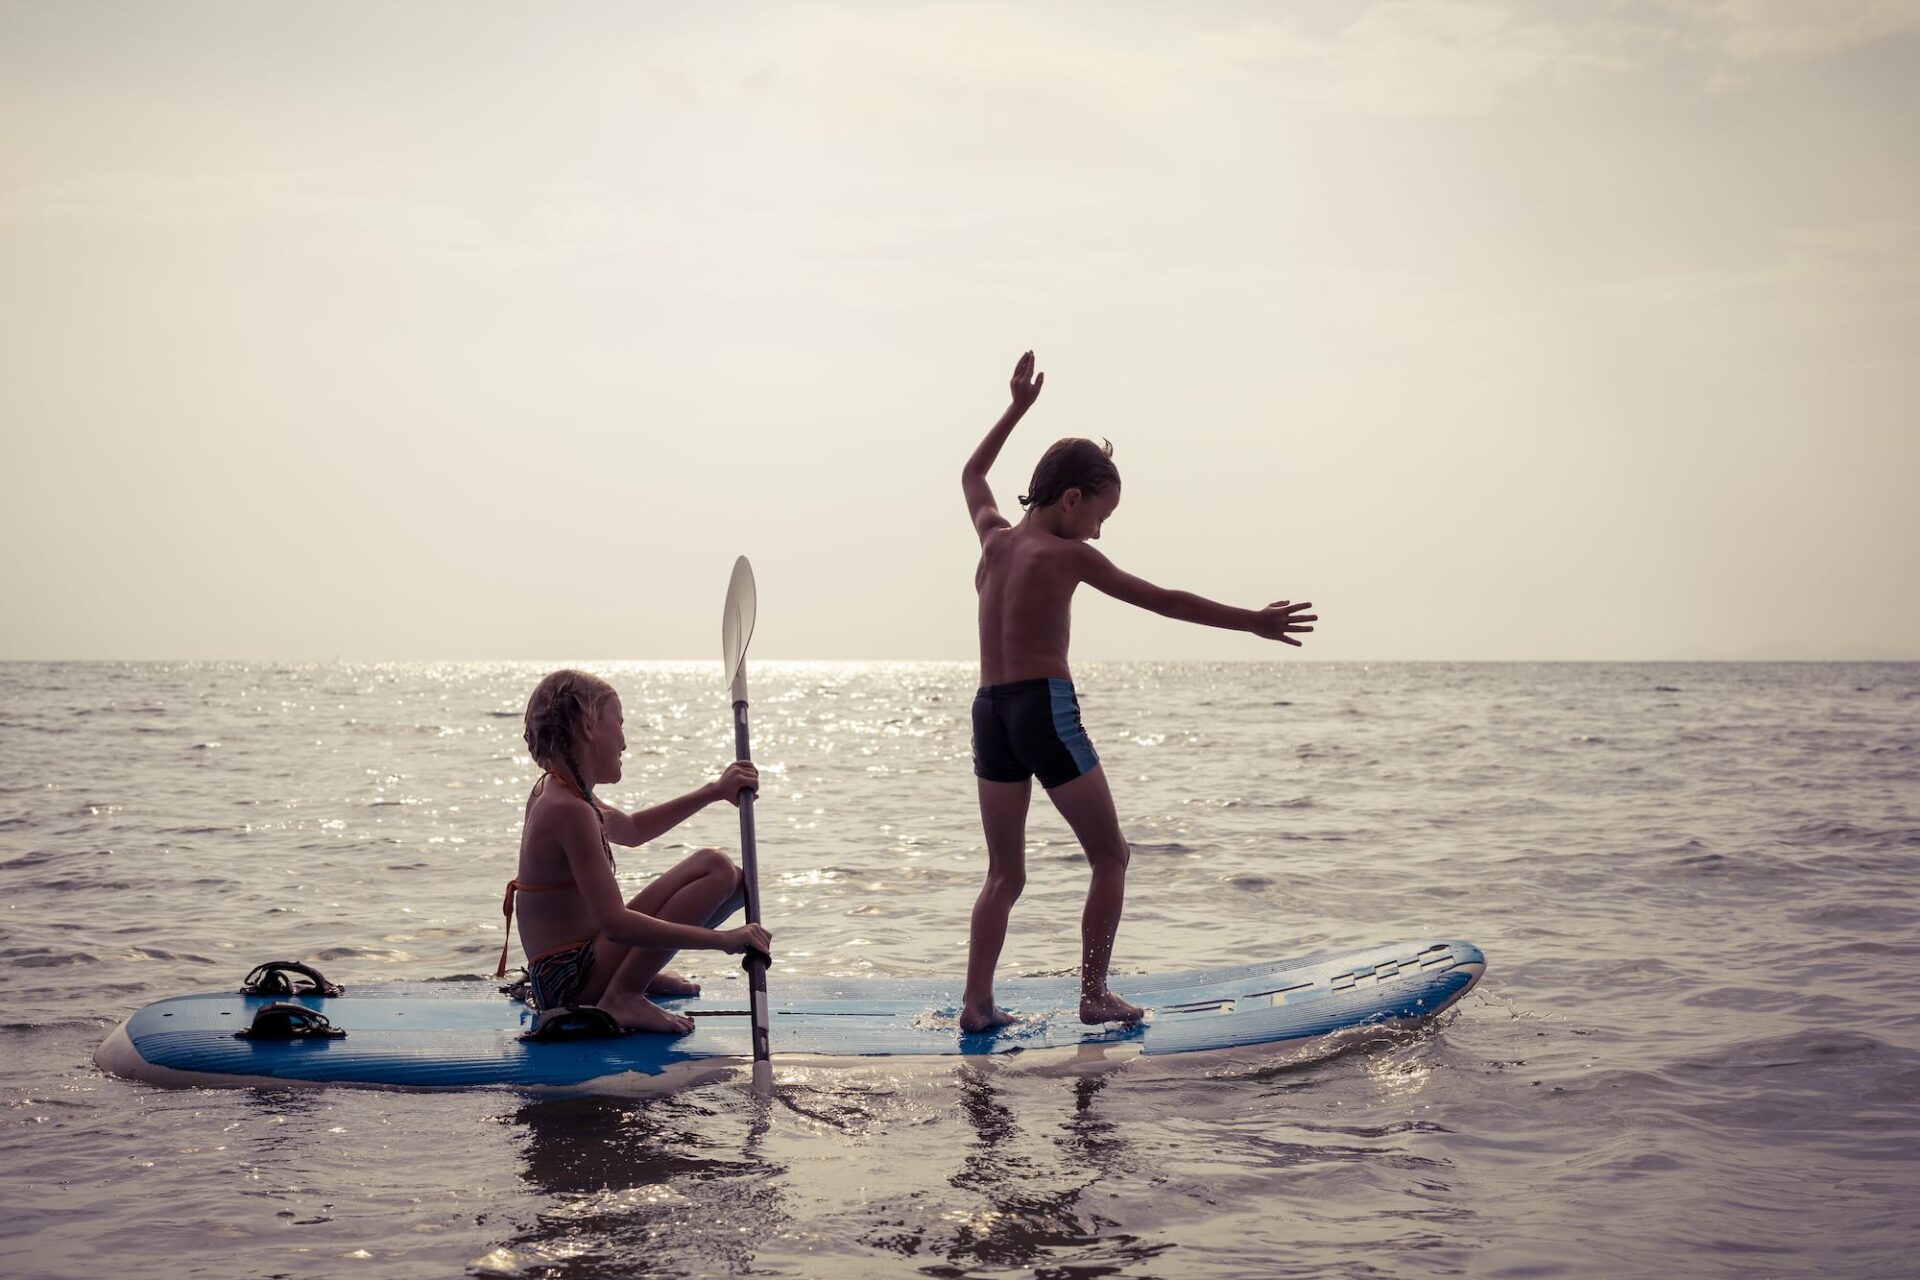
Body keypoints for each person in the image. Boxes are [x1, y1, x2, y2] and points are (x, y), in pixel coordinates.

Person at [959, 351, 1317, 1033]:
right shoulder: (1069, 554)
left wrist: (1016, 407)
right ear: (1071, 500)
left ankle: (976, 1006)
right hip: (1043, 709)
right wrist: (1254, 622)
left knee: (1004, 872)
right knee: (1110, 856)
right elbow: (1165, 602)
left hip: (989, 713)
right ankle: (1093, 995)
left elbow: (974, 474)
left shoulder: (994, 540)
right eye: (1101, 513)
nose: (1100, 529)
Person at [497, 668, 771, 1035]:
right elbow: (617, 924)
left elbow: (633, 830)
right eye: (619, 723)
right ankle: (622, 994)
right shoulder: (568, 810)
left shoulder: (562, 790)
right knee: (716, 869)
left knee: (730, 879)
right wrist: (723, 941)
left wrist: (714, 791)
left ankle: (629, 977)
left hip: (580, 964)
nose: (624, 742)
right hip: (567, 983)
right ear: (588, 727)